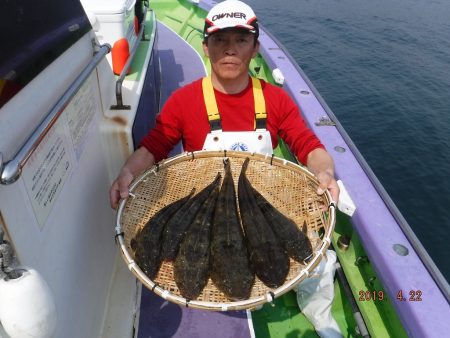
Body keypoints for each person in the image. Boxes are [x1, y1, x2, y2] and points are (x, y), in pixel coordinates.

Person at [109, 0, 339, 210]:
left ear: (255, 48)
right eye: (220, 40)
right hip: (203, 208)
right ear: (206, 48)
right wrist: (128, 172)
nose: (230, 49)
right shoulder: (183, 101)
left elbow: (309, 147)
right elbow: (152, 149)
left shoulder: (276, 99)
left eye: (241, 40)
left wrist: (325, 171)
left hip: (261, 207)